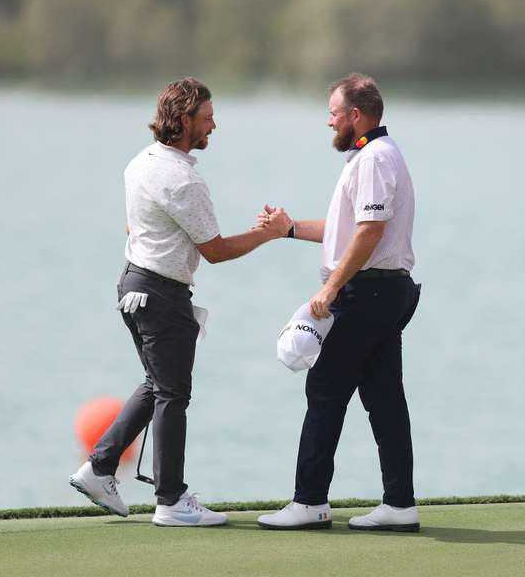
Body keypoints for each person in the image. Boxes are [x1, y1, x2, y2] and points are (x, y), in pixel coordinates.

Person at [69, 77, 290, 527]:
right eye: (207, 118)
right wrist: (269, 234)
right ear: (184, 120)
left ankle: (100, 467)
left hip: (133, 284)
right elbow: (216, 250)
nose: (214, 125)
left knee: (157, 385)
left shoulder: (140, 163)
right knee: (173, 393)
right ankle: (170, 500)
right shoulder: (183, 178)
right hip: (160, 295)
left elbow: (135, 230)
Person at [257, 73, 422, 531]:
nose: (328, 122)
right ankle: (399, 504)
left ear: (355, 115)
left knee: (325, 390)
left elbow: (369, 233)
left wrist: (331, 288)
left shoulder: (373, 158)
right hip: (384, 290)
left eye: (333, 113)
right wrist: (288, 229)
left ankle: (309, 502)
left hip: (367, 291)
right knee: (384, 397)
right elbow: (344, 230)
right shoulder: (372, 155)